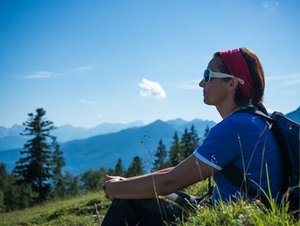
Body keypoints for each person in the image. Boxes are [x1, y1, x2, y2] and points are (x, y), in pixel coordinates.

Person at [101, 47, 283, 225]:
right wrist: (129, 183)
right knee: (135, 192)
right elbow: (180, 170)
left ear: (231, 83)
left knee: (127, 199)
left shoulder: (235, 126)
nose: (201, 83)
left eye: (207, 76)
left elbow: (170, 182)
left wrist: (115, 189)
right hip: (237, 212)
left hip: (230, 216)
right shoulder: (252, 120)